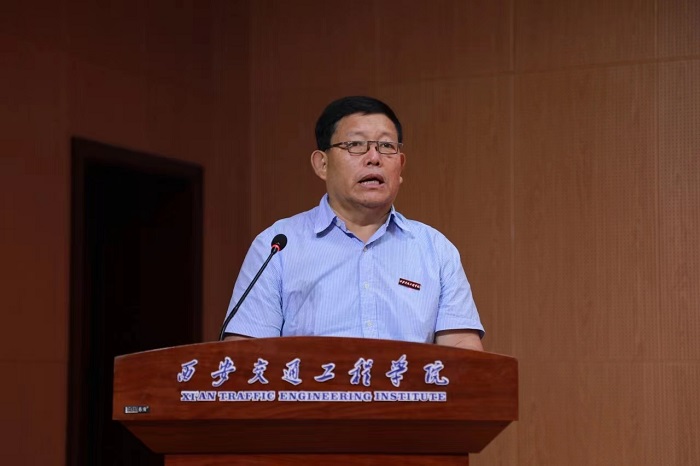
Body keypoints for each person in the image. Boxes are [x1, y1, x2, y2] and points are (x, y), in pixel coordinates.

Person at [222, 96, 484, 351]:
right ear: (322, 164)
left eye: (386, 146)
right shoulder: (278, 246)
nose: (374, 158)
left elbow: (463, 350)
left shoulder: (435, 249)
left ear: (400, 166)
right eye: (356, 145)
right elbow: (243, 355)